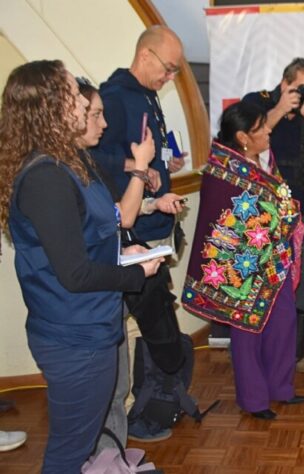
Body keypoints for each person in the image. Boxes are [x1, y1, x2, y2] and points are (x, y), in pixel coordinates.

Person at [0, 60, 162, 473]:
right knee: (69, 452)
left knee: (82, 443)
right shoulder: (46, 178)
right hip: (74, 336)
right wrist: (135, 273)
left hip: (90, 325)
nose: (83, 102)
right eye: (74, 94)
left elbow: (89, 239)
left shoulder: (68, 162)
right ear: (52, 107)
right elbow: (74, 274)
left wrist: (124, 253)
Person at [181, 100, 304, 420]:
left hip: (275, 257)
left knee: (284, 322)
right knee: (247, 330)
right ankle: (254, 400)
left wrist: (284, 217)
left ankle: (281, 387)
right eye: (261, 128)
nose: (268, 131)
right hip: (243, 264)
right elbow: (221, 222)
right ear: (242, 137)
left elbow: (277, 199)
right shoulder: (221, 171)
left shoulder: (267, 159)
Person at [76, 78, 185, 446]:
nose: (104, 123)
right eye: (95, 114)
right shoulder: (60, 172)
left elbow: (112, 213)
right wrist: (139, 167)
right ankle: (109, 455)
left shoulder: (85, 164)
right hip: (87, 302)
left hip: (107, 284)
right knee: (103, 393)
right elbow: (120, 217)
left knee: (118, 379)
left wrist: (154, 204)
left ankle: (116, 453)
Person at [243, 58, 304, 374]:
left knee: (302, 283)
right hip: (263, 209)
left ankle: (295, 353)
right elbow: (246, 141)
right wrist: (281, 108)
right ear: (284, 83)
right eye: (302, 87)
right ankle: (256, 352)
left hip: (300, 209)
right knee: (261, 281)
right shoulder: (258, 102)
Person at [97, 25, 186, 246]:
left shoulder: (149, 94)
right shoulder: (114, 97)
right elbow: (92, 158)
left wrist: (166, 161)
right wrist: (137, 166)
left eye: (175, 71)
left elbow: (147, 142)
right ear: (145, 55)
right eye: (168, 68)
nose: (170, 77)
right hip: (135, 230)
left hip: (159, 221)